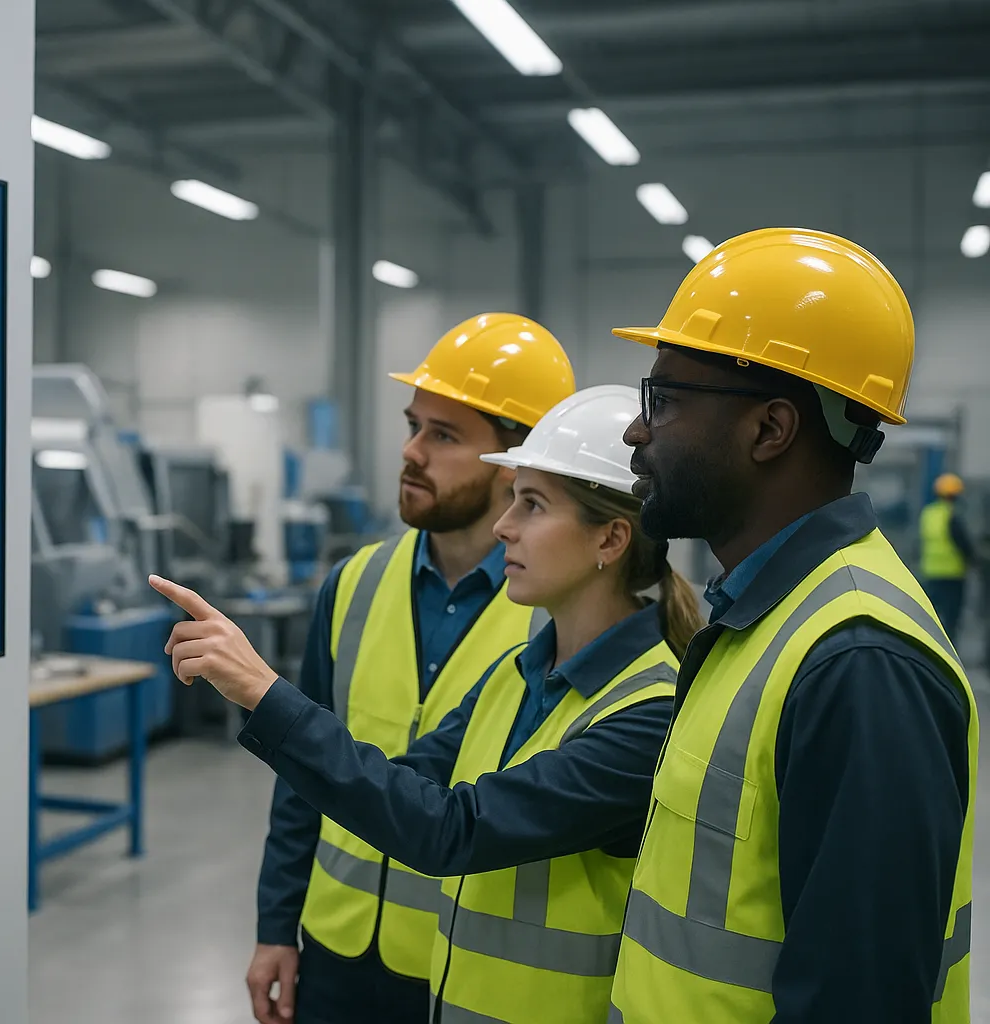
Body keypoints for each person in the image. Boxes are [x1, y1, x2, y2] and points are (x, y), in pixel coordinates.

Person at [150, 385, 706, 1024]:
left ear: (609, 540)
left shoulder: (648, 710)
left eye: (531, 505)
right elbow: (396, 782)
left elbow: (451, 829)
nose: (504, 526)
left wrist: (263, 691)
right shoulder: (518, 674)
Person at [602, 228, 976, 1022]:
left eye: (662, 402)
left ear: (769, 430)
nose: (637, 433)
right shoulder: (763, 618)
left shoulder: (858, 664)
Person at [245, 314, 575, 1024]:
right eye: (413, 425)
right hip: (335, 946)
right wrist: (278, 923)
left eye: (444, 435)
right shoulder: (353, 584)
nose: (410, 452)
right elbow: (303, 772)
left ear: (514, 463)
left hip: (460, 963)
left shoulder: (559, 616)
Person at [920, 472, 975, 642]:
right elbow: (963, 544)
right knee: (951, 619)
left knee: (932, 617)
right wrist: (974, 560)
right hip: (952, 575)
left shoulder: (928, 514)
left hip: (931, 573)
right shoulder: (952, 516)